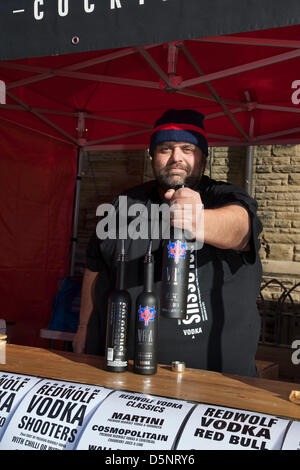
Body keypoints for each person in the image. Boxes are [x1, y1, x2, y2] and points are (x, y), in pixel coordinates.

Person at [73, 109, 262, 377]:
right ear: (152, 156)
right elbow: (96, 266)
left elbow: (241, 229)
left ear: (203, 158)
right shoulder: (125, 204)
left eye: (188, 148)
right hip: (126, 372)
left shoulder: (222, 197)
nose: (176, 158)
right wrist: (83, 328)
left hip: (215, 380)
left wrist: (197, 220)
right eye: (165, 148)